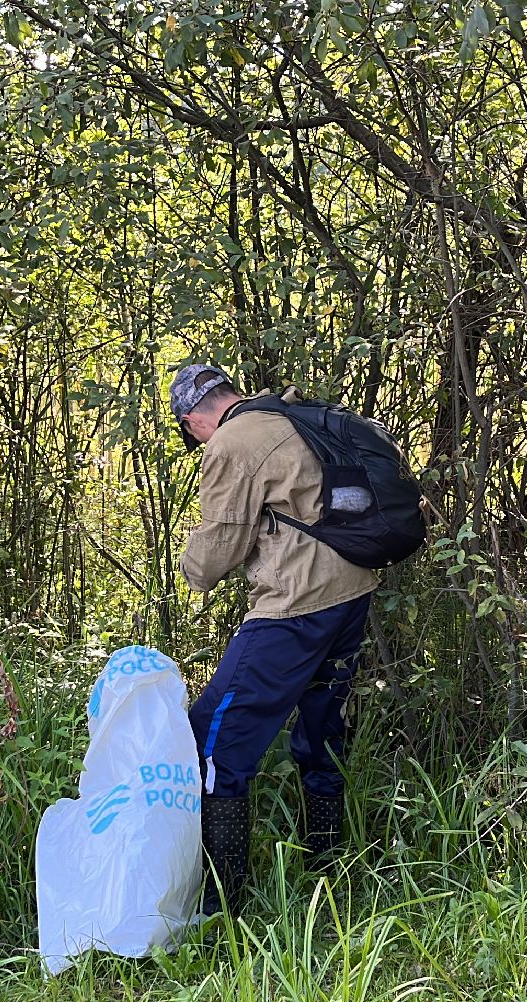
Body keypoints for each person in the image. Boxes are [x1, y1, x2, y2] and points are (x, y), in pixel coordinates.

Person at [169, 362, 378, 915]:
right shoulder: (288, 414)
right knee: (321, 727)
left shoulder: (233, 443)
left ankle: (221, 905)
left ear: (194, 419)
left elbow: (219, 545)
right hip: (353, 592)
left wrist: (188, 575)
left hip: (299, 604)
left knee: (215, 736)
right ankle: (329, 873)